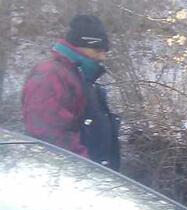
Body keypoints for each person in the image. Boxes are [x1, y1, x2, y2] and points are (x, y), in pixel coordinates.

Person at [22, 14, 121, 169]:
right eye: (97, 49)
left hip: (99, 180)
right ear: (78, 47)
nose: (103, 56)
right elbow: (50, 139)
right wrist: (89, 173)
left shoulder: (84, 78)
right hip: (74, 179)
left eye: (105, 51)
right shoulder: (50, 76)